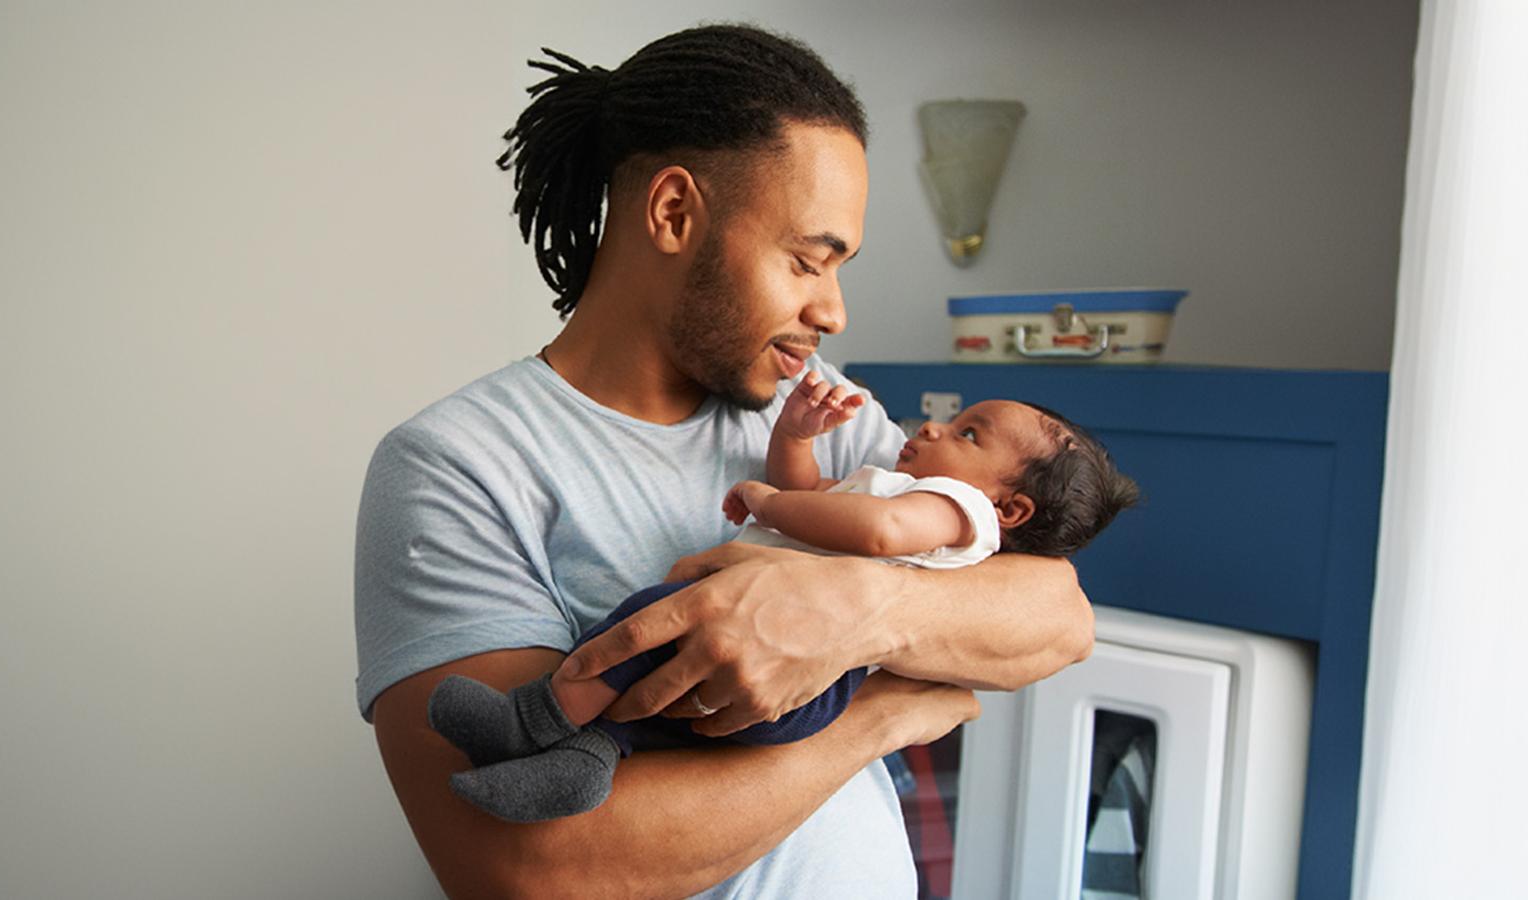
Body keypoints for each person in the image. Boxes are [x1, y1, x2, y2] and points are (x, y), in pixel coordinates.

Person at [355, 23, 1095, 898]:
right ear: (673, 213)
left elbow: (1058, 615)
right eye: (805, 261)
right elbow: (528, 871)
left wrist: (851, 611)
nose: (834, 311)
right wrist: (878, 717)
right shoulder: (457, 466)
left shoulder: (815, 407)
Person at [424, 375, 1140, 823]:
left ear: (1007, 509)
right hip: (777, 691)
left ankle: (533, 719)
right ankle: (588, 758)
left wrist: (769, 502)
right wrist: (795, 437)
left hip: (806, 689)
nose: (930, 428)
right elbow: (815, 497)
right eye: (804, 259)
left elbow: (881, 531)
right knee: (660, 688)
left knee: (645, 620)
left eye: (968, 433)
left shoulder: (953, 510)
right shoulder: (899, 478)